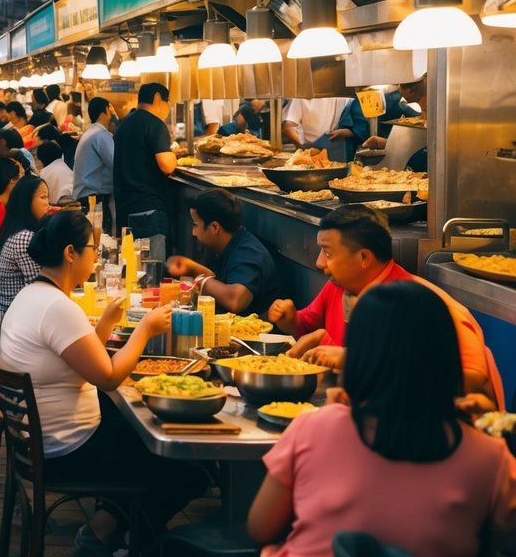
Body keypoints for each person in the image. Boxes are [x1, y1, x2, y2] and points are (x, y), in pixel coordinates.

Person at [248, 281, 516, 557]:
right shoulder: (491, 457)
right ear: (446, 355)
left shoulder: (314, 427)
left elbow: (260, 527)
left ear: (358, 355)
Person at [0, 212, 202, 552]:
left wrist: (105, 325)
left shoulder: (34, 294)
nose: (95, 256)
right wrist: (145, 329)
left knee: (135, 430)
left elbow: (77, 357)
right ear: (70, 253)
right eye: (92, 248)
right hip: (67, 447)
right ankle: (106, 532)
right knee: (186, 470)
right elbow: (108, 377)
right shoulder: (57, 307)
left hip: (44, 439)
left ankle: (121, 528)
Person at [269, 205, 503, 410]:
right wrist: (295, 324)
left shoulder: (428, 304)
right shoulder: (341, 286)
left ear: (363, 258)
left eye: (328, 253)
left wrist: (358, 360)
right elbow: (308, 326)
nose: (319, 263)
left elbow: (471, 379)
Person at [166, 189, 278, 317]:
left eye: (195, 225)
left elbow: (235, 300)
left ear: (214, 227)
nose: (193, 233)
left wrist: (195, 273)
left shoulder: (248, 253)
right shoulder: (221, 246)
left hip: (255, 334)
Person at [112, 83, 176, 245]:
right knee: (152, 264)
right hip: (148, 210)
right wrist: (174, 156)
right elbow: (167, 165)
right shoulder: (154, 124)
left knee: (132, 263)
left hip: (125, 208)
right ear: (157, 98)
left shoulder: (124, 124)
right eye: (167, 100)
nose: (168, 106)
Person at [0, 176, 50, 315]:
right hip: (19, 319)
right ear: (26, 201)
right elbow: (40, 286)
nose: (48, 204)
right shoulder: (24, 238)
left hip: (18, 314)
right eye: (43, 197)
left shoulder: (18, 231)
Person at [73, 97, 117, 234]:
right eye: (110, 109)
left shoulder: (91, 132)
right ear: (106, 110)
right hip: (93, 198)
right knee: (100, 238)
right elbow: (116, 164)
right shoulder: (101, 135)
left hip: (86, 196)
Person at [282, 97, 354, 161]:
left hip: (313, 154)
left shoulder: (302, 96)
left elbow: (289, 127)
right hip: (338, 152)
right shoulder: (345, 95)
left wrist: (302, 147)